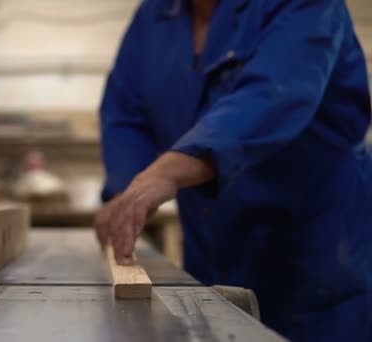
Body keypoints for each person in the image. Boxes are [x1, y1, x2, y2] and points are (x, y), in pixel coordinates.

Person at [94, 0, 372, 340]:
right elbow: (126, 112)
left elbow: (274, 95)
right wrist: (127, 190)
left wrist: (167, 171)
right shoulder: (155, 15)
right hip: (214, 256)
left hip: (314, 262)